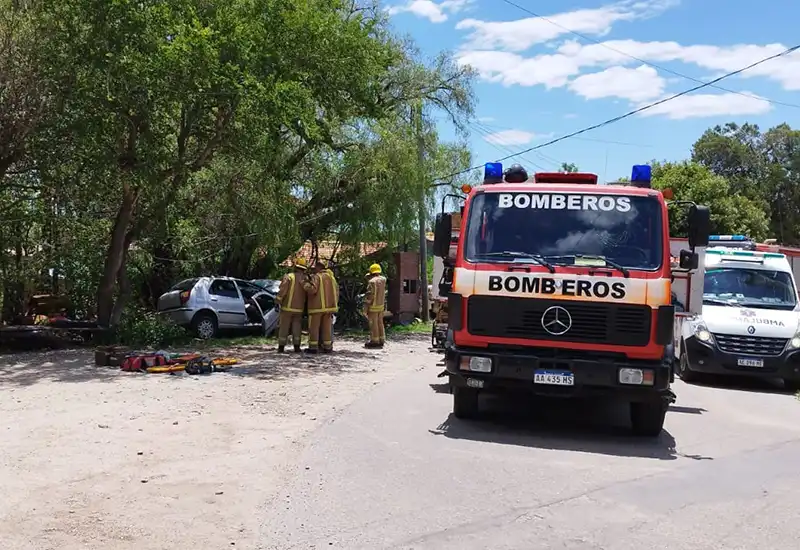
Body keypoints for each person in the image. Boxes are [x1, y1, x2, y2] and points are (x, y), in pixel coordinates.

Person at [276, 258, 309, 353]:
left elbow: (283, 291)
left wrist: (278, 301)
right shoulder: (305, 279)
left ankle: (281, 347)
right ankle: (297, 347)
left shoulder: (289, 277)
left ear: (295, 267)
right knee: (297, 327)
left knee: (284, 327)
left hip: (287, 307)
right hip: (299, 309)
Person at [317, 260, 339, 353]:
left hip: (319, 307)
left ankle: (319, 345)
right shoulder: (332, 279)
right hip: (331, 307)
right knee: (328, 327)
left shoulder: (318, 277)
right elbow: (337, 293)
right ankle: (328, 345)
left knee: (319, 326)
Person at [364, 263, 387, 349]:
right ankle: (381, 339)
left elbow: (370, 295)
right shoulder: (383, 279)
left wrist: (366, 307)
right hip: (381, 305)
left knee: (373, 323)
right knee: (380, 322)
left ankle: (375, 341)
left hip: (373, 306)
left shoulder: (371, 282)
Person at [302, 262, 323, 354]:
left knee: (314, 327)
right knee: (326, 328)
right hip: (329, 308)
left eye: (315, 268)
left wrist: (305, 284)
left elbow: (312, 290)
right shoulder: (330, 278)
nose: (314, 270)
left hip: (316, 307)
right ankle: (327, 347)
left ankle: (313, 347)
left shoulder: (317, 277)